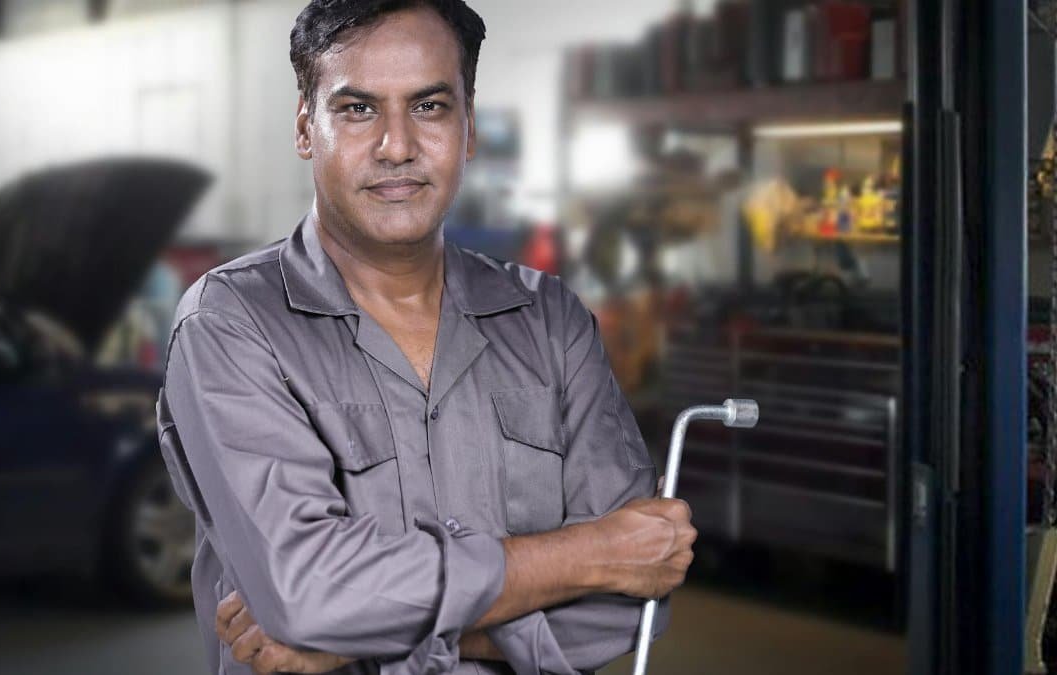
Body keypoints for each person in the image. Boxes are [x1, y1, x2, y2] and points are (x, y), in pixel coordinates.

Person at [155, 1, 697, 673]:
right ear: (305, 127)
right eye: (357, 109)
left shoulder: (551, 322)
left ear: (467, 127)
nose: (397, 146)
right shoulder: (232, 325)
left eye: (429, 106)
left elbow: (635, 596)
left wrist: (361, 634)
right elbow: (307, 592)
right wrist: (584, 556)